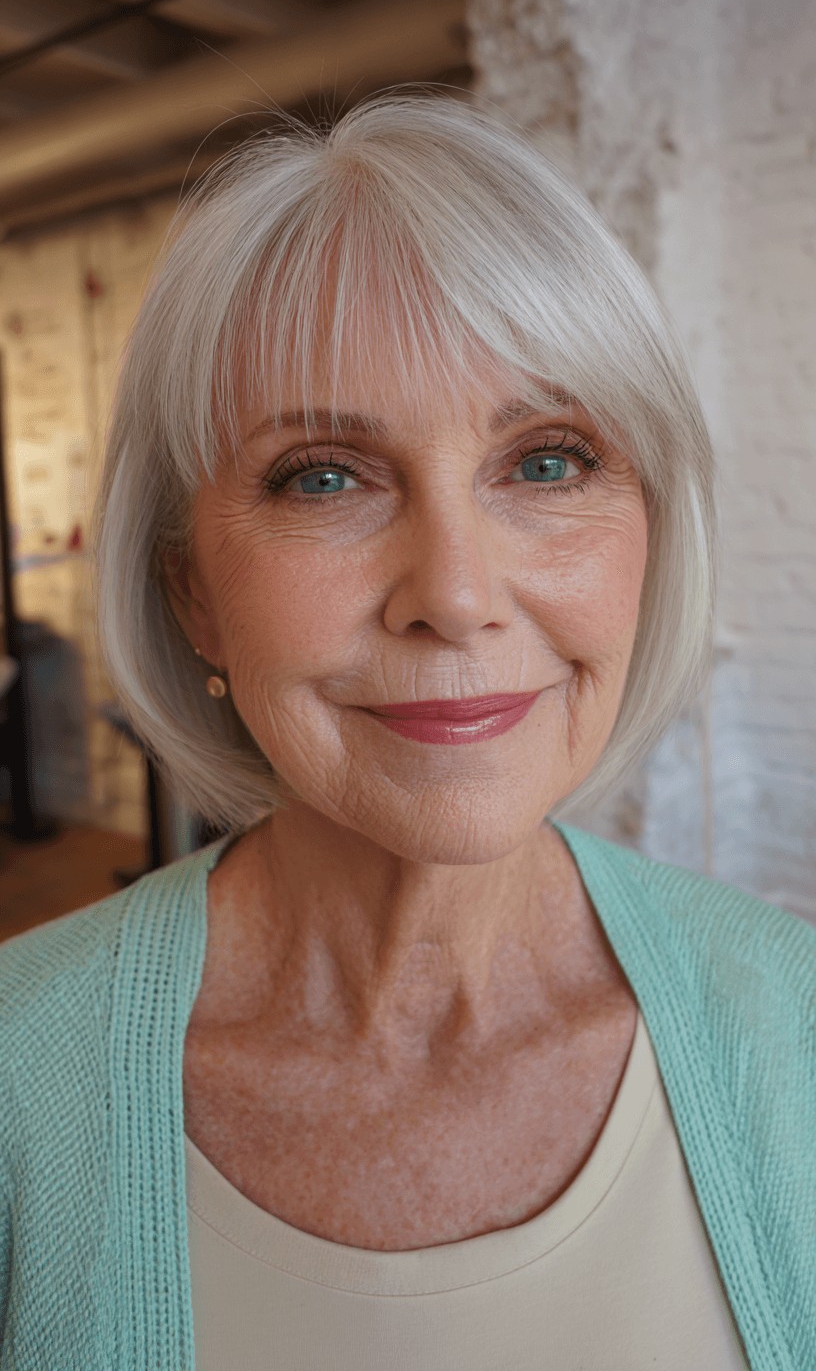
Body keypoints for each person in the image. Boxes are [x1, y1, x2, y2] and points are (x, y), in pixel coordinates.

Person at [1, 90, 813, 1371]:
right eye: (325, 476)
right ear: (193, 590)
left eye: (547, 461)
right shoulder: (18, 1084)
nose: (457, 593)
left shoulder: (795, 1026)